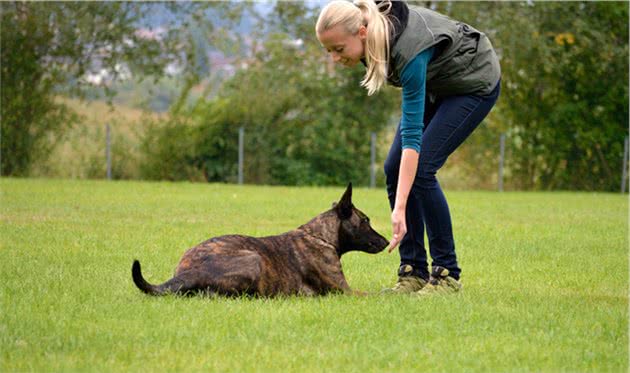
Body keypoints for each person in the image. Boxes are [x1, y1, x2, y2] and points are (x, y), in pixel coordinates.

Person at [316, 0, 501, 294]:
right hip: (438, 84)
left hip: (472, 83)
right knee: (393, 167)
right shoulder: (368, 24)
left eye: (339, 49)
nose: (335, 59)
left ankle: (447, 275)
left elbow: (413, 138)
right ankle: (413, 272)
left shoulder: (409, 52)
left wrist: (399, 208)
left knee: (423, 168)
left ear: (362, 32)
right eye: (328, 51)